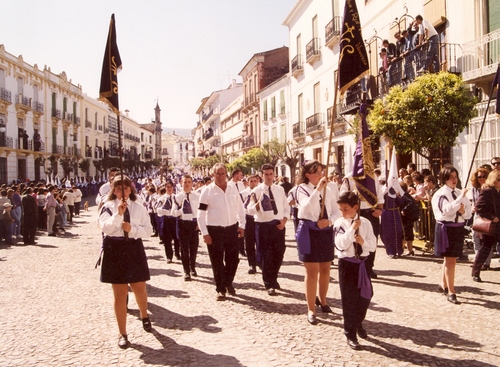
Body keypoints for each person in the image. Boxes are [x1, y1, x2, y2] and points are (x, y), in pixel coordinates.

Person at [97, 175, 153, 349]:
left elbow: (149, 230)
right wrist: (118, 215)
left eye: (126, 188)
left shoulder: (139, 207)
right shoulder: (107, 207)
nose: (123, 191)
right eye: (119, 188)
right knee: (120, 293)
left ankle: (144, 315)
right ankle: (122, 333)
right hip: (115, 250)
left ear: (131, 189)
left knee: (139, 288)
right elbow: (105, 227)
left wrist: (133, 229)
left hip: (134, 249)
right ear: (114, 190)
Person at [294, 160, 340, 324]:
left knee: (326, 268)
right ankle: (311, 308)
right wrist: (318, 189)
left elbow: (337, 212)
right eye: (317, 172)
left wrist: (329, 222)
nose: (321, 175)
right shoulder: (301, 189)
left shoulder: (330, 189)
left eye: (321, 172)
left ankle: (324, 300)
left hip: (325, 231)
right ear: (308, 175)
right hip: (309, 231)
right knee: (312, 271)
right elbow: (305, 208)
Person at [333, 191, 377, 350]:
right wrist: (352, 230)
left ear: (355, 207)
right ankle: (349, 332)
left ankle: (358, 322)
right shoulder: (339, 224)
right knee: (349, 300)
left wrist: (362, 242)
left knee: (365, 296)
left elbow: (372, 246)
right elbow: (341, 245)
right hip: (347, 264)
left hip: (362, 264)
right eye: (340, 209)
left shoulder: (366, 223)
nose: (342, 212)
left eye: (345, 209)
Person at [197, 163, 245, 300]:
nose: (220, 176)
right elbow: (200, 213)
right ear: (213, 175)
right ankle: (220, 288)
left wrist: (242, 224)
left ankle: (228, 281)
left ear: (226, 174)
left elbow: (240, 207)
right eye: (217, 173)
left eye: (222, 173)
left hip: (231, 228)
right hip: (214, 230)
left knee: (233, 259)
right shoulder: (207, 191)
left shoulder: (232, 188)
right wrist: (205, 233)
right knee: (217, 261)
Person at [246, 164, 289, 296]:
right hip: (263, 226)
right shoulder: (256, 191)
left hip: (278, 225)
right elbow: (249, 209)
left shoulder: (279, 190)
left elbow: (286, 207)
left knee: (279, 253)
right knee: (266, 256)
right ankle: (269, 283)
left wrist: (284, 221)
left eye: (271, 174)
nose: (269, 177)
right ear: (262, 175)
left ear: (274, 175)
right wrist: (258, 203)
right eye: (266, 174)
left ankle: (274, 277)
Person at [431, 165, 472, 304]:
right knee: (451, 260)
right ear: (444, 179)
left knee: (450, 259)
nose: (454, 180)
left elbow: (468, 212)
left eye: (455, 177)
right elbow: (446, 210)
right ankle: (451, 291)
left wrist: (462, 212)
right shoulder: (440, 194)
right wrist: (460, 198)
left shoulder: (460, 192)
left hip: (458, 228)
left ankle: (443, 284)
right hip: (446, 228)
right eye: (450, 177)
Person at [471, 169, 500, 282]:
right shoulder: (488, 191)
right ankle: (475, 271)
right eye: (498, 179)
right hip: (491, 225)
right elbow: (479, 208)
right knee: (485, 249)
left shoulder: (498, 191)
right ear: (493, 180)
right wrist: (492, 217)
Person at [173, 175, 200, 281]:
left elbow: (201, 211)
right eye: (185, 182)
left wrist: (200, 223)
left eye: (189, 182)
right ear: (181, 183)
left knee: (194, 248)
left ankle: (193, 267)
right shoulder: (177, 197)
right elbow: (173, 213)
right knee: (184, 249)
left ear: (192, 183)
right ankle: (186, 271)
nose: (187, 184)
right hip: (182, 224)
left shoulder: (197, 196)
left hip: (193, 224)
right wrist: (181, 210)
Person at [468, 168, 492, 270]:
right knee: (475, 237)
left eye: (484, 176)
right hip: (477, 215)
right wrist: (473, 206)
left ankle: (486, 262)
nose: (481, 179)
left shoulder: (489, 188)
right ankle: (478, 261)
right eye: (479, 177)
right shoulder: (474, 188)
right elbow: (474, 200)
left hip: (487, 216)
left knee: (486, 239)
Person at [157, 180, 181, 262]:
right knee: (167, 239)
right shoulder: (162, 198)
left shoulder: (176, 197)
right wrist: (165, 210)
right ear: (165, 188)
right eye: (167, 187)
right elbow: (157, 210)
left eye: (170, 187)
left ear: (173, 187)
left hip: (175, 219)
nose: (169, 189)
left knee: (177, 238)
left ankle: (177, 253)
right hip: (167, 219)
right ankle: (169, 256)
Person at [241, 174, 260, 274]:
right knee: (249, 243)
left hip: (259, 220)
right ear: (247, 182)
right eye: (251, 181)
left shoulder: (261, 191)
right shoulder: (243, 194)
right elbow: (240, 208)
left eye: (254, 181)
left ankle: (259, 261)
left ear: (257, 181)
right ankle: (251, 264)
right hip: (248, 219)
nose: (253, 183)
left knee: (260, 242)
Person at [228, 168, 246, 257]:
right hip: (233, 211)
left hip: (242, 209)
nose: (242, 176)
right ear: (235, 175)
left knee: (242, 228)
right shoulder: (229, 185)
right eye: (240, 174)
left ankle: (242, 249)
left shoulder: (241, 184)